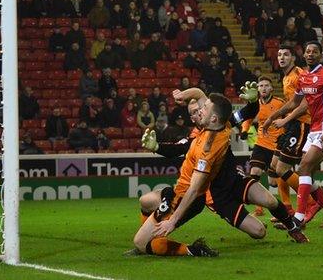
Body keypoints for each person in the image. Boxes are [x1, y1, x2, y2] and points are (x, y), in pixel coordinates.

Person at [131, 91, 307, 257]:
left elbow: (194, 188)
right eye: (193, 111)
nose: (199, 111)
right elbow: (179, 147)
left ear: (213, 117)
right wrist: (157, 147)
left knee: (268, 201)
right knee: (259, 231)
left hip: (211, 187)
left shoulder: (209, 145)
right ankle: (160, 239)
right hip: (214, 194)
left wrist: (173, 220)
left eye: (202, 108)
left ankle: (292, 227)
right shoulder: (218, 127)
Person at [262, 41, 323, 228]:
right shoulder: (304, 77)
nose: (310, 54)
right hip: (313, 131)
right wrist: (271, 117)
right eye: (307, 51)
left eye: (314, 51)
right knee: (306, 175)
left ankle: (297, 219)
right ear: (304, 54)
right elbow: (294, 103)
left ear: (321, 54)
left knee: (304, 169)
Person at [237, 44, 320, 225]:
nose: (281, 57)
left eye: (286, 55)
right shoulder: (286, 78)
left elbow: (304, 103)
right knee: (275, 171)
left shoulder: (297, 75)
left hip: (300, 124)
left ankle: (312, 203)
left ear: (293, 58)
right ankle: (291, 207)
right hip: (273, 136)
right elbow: (250, 117)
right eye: (279, 54)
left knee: (283, 169)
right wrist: (252, 127)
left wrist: (283, 120)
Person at [237, 77, 286, 215]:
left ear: (271, 88)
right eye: (261, 85)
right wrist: (244, 130)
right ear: (257, 89)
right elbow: (248, 118)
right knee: (254, 173)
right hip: (261, 144)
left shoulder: (280, 103)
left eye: (266, 85)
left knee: (273, 183)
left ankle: (289, 205)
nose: (263, 88)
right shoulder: (254, 104)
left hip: (277, 145)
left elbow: (289, 119)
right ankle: (259, 209)